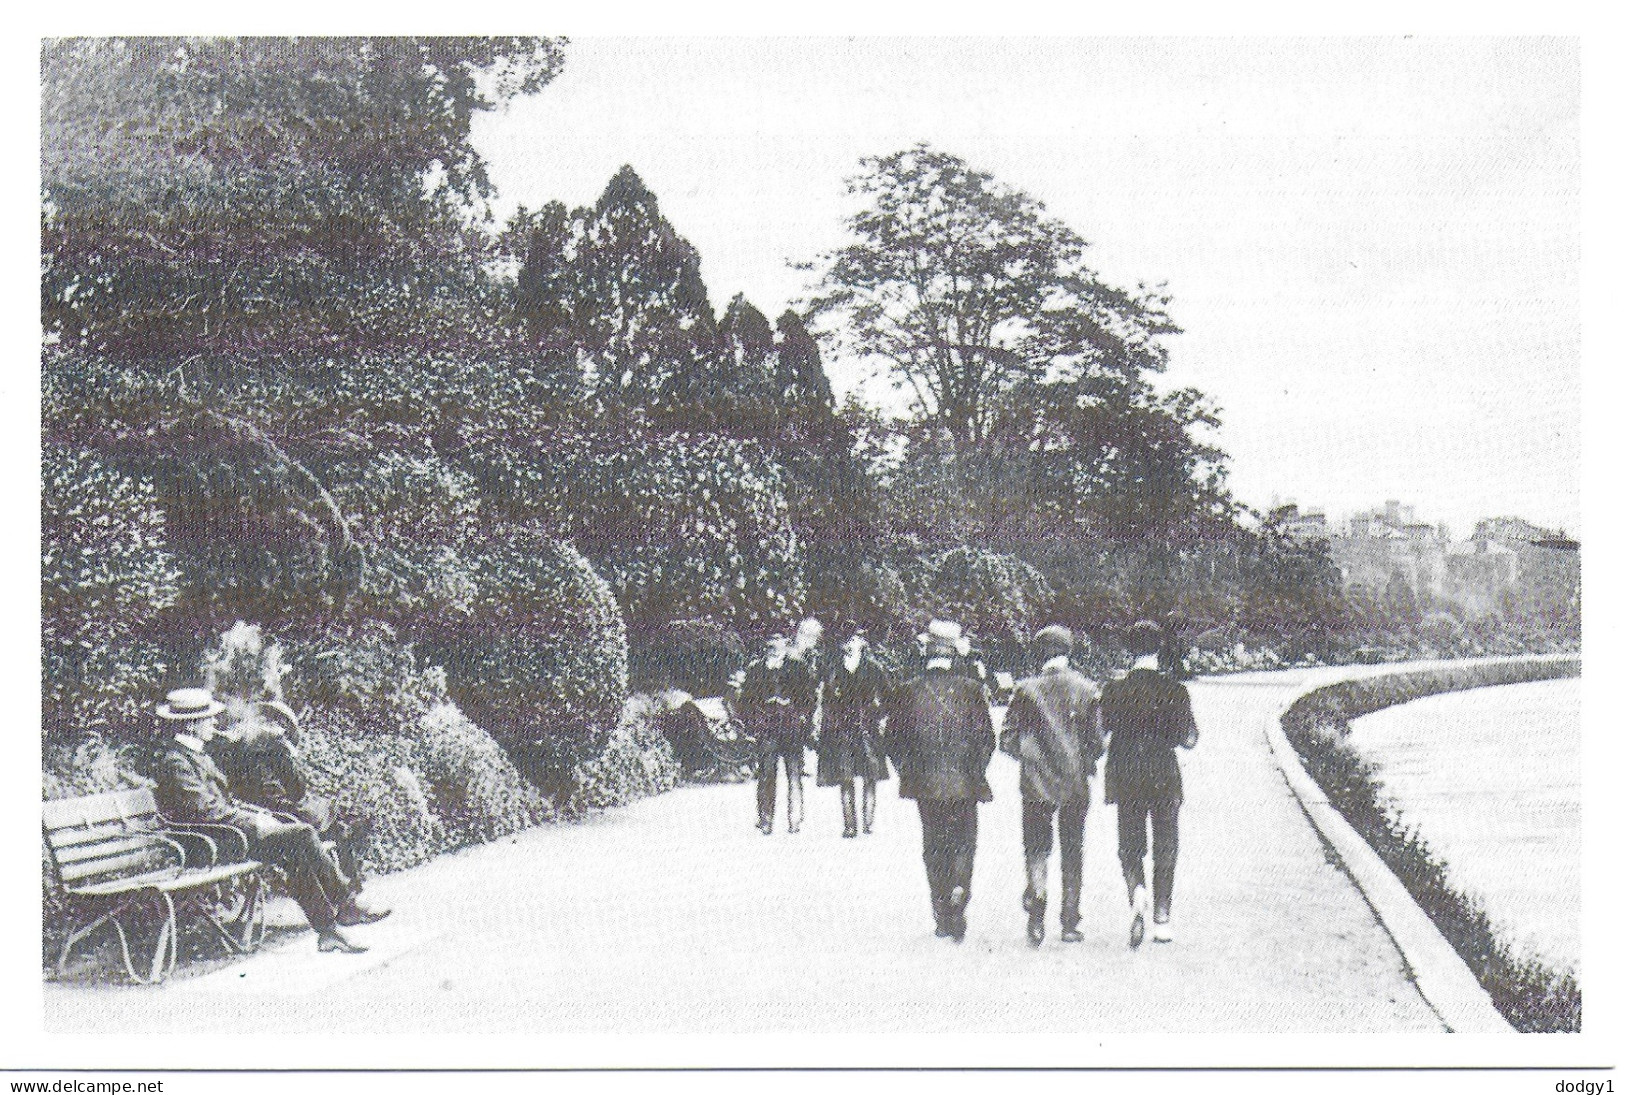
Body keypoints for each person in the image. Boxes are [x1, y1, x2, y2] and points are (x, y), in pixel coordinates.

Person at [147, 688, 389, 954]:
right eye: (209, 718)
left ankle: (328, 933)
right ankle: (345, 903)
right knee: (302, 834)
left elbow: (222, 804)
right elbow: (206, 811)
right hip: (205, 844)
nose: (214, 723)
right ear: (192, 725)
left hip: (224, 835)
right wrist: (255, 824)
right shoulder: (176, 762)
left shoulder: (195, 754)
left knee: (295, 853)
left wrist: (256, 815)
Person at [885, 620, 995, 942]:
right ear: (953, 655)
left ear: (927, 653)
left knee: (933, 845)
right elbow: (986, 738)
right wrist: (975, 771)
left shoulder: (906, 691)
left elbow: (892, 739)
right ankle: (961, 887)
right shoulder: (971, 690)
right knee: (964, 841)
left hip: (926, 783)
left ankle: (941, 912)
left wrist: (908, 772)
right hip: (964, 782)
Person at [207, 700, 374, 904]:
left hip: (248, 809)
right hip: (276, 811)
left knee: (330, 819)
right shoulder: (273, 743)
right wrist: (286, 752)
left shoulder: (222, 746)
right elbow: (297, 790)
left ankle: (344, 891)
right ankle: (351, 891)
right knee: (336, 820)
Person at [999, 625, 1104, 946]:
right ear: (1069, 653)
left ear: (1038, 654)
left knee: (1036, 847)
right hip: (1074, 782)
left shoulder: (1026, 690)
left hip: (1035, 783)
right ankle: (1070, 922)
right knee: (1073, 849)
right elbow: (1097, 744)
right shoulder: (1086, 689)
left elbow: (1007, 739)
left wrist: (1029, 756)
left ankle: (1037, 906)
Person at [1100, 621, 1200, 948]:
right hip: (1163, 774)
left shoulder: (1114, 690)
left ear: (1129, 650)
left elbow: (1101, 735)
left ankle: (1136, 891)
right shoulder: (1175, 690)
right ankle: (1162, 916)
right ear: (1159, 649)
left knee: (1130, 843)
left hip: (1126, 773)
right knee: (1166, 845)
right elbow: (1189, 739)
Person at [816, 624, 891, 838]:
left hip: (867, 729)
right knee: (845, 777)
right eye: (846, 640)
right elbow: (825, 700)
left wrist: (878, 714)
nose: (849, 644)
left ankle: (867, 822)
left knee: (870, 776)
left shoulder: (873, 668)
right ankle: (850, 824)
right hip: (842, 730)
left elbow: (889, 698)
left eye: (854, 639)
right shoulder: (832, 669)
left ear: (862, 642)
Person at [738, 636, 817, 834]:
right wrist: (753, 724)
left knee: (794, 774)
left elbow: (809, 698)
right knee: (766, 774)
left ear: (785, 644)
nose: (773, 647)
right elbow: (746, 702)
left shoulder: (798, 667)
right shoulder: (756, 670)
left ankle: (795, 818)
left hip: (792, 729)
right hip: (766, 729)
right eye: (769, 644)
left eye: (777, 642)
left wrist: (801, 716)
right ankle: (765, 818)